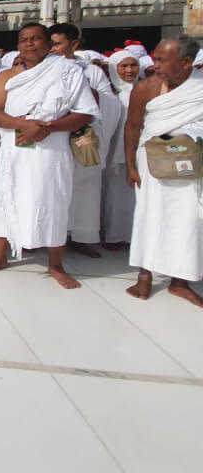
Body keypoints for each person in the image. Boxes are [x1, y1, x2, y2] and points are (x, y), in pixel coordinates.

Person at [0, 23, 97, 288]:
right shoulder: (7, 76)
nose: (29, 45)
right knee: (8, 197)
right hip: (15, 149)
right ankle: (0, 255)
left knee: (52, 200)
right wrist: (25, 126)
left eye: (35, 39)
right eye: (23, 40)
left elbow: (85, 112)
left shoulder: (67, 71)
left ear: (48, 43)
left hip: (51, 151)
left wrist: (48, 127)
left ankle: (55, 265)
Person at [123, 36, 203, 305]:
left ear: (186, 62)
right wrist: (131, 166)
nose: (154, 65)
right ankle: (144, 275)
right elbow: (132, 126)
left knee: (188, 220)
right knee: (149, 214)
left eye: (161, 60)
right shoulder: (146, 87)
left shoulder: (200, 88)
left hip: (190, 165)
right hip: (152, 162)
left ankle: (180, 281)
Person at [49, 23, 121, 257]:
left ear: (74, 44)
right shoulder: (45, 70)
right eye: (50, 44)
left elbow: (111, 104)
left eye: (58, 44)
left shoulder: (91, 72)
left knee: (84, 190)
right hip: (54, 137)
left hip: (83, 137)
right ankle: (50, 235)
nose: (53, 49)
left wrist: (88, 93)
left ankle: (79, 236)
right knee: (53, 186)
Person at [101, 49, 139, 247]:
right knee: (113, 196)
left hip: (137, 154)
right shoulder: (110, 93)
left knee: (134, 198)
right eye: (124, 66)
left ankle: (131, 236)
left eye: (133, 65)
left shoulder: (143, 91)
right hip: (113, 154)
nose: (130, 70)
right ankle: (112, 236)